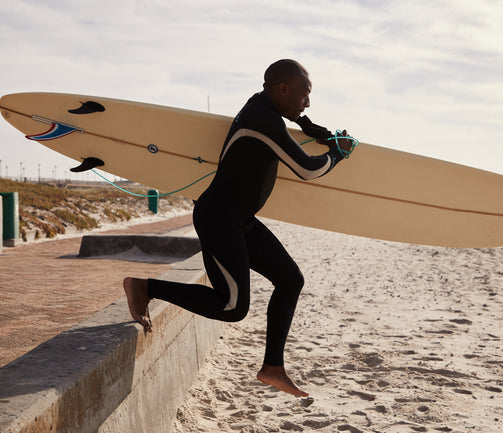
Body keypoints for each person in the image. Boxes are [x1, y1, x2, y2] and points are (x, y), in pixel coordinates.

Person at [124, 59, 354, 397]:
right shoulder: (261, 119)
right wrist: (337, 154)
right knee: (232, 306)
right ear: (284, 89)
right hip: (218, 218)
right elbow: (307, 169)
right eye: (305, 95)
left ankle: (273, 367)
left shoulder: (263, 108)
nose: (308, 102)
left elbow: (289, 118)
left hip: (240, 219)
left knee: (291, 279)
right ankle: (144, 288)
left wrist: (311, 126)